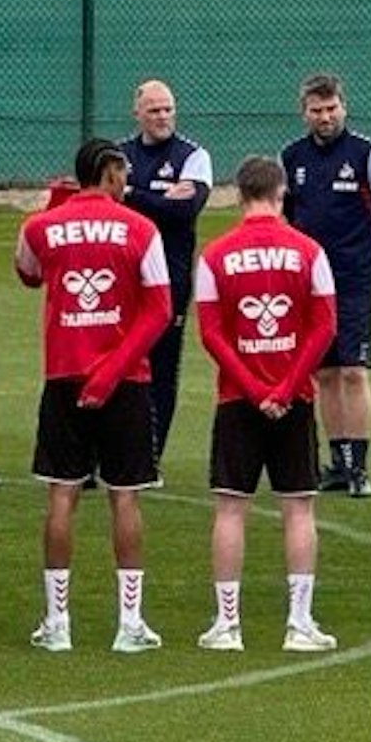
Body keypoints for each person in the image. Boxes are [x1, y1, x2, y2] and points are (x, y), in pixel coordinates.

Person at [15, 139, 173, 653]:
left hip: (64, 375)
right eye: (122, 169)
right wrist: (112, 370)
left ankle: (57, 622)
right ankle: (130, 622)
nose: (126, 178)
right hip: (126, 381)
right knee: (124, 497)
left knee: (61, 495)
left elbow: (27, 273)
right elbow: (159, 311)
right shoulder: (141, 228)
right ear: (107, 172)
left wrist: (52, 210)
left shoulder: (41, 227)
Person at [190, 156, 339, 652]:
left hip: (237, 398)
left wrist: (254, 390)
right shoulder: (309, 251)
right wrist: (286, 387)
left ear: (238, 195)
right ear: (280, 195)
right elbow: (324, 328)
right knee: (298, 509)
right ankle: (299, 623)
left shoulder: (215, 255)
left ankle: (227, 624)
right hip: (293, 397)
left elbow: (211, 333)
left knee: (231, 509)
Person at [281, 73, 371, 497]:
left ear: (343, 107)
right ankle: (338, 462)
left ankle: (360, 468)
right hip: (309, 282)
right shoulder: (291, 157)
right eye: (316, 111)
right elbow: (289, 217)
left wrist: (358, 249)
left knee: (353, 370)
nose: (325, 117)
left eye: (331, 108)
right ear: (304, 114)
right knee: (324, 372)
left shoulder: (370, 154)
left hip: (352, 279)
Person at [121, 78, 213, 484]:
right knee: (117, 361)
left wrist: (129, 194)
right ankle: (108, 451)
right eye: (154, 110)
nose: (162, 117)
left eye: (168, 109)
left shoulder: (194, 156)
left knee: (161, 367)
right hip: (122, 277)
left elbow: (183, 212)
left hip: (169, 279)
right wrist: (156, 199)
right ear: (137, 112)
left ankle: (150, 457)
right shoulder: (119, 154)